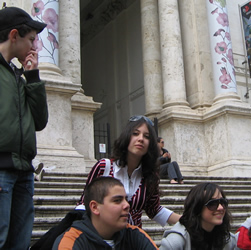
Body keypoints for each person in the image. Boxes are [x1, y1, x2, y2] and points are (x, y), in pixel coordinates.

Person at [31, 115, 180, 250]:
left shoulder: (150, 175)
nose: (140, 138)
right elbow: (85, 204)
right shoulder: (104, 166)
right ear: (127, 137)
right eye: (135, 133)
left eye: (146, 136)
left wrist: (186, 220)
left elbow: (154, 209)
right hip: (99, 240)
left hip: (130, 241)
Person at [0, 5, 48, 249]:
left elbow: (40, 121)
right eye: (31, 39)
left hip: (24, 172)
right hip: (2, 168)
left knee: (19, 243)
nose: (34, 46)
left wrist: (33, 78)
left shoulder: (20, 76)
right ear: (13, 35)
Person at [52, 176, 158, 250]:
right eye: (117, 200)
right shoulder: (71, 242)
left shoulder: (135, 235)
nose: (127, 205)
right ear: (95, 207)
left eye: (126, 199)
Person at [160, 182, 236, 250]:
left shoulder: (228, 240)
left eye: (223, 202)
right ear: (197, 207)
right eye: (212, 203)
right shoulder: (175, 241)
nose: (221, 208)